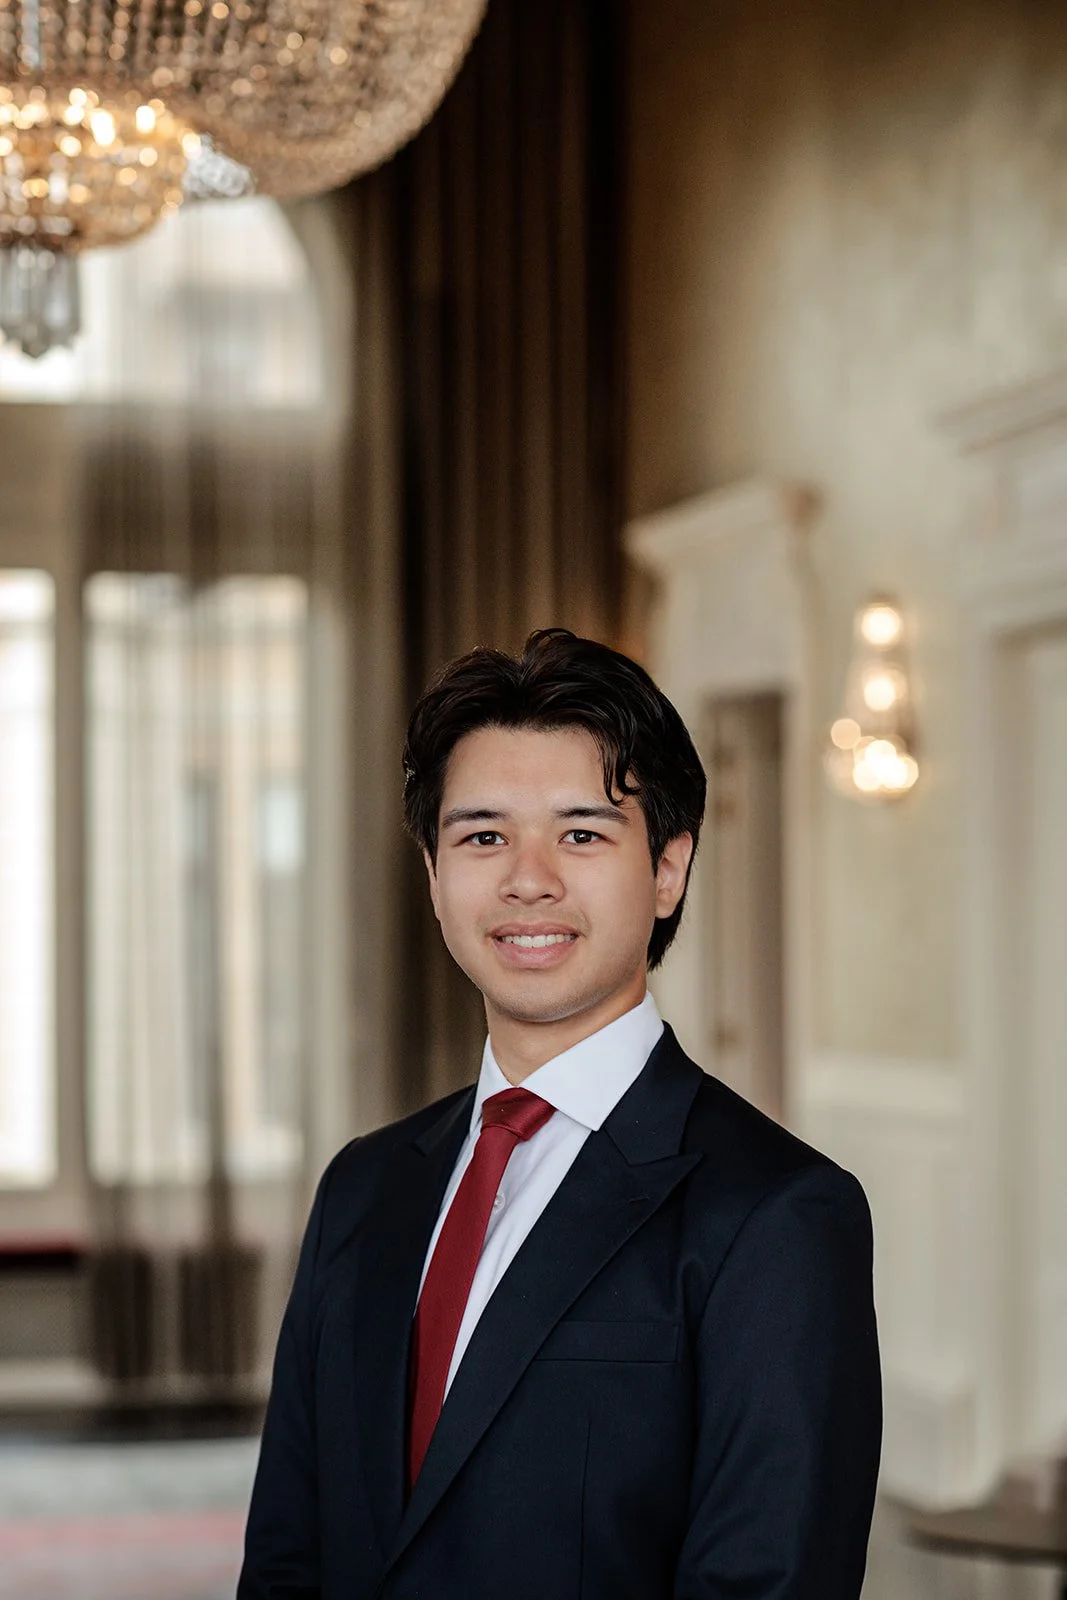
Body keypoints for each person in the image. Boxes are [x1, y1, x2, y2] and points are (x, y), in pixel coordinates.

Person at [238, 627, 882, 1600]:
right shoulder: (365, 1185)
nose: (526, 877)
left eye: (581, 833)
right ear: (431, 873)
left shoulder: (776, 1215)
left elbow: (765, 1583)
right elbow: (287, 1554)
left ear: (667, 868)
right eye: (482, 834)